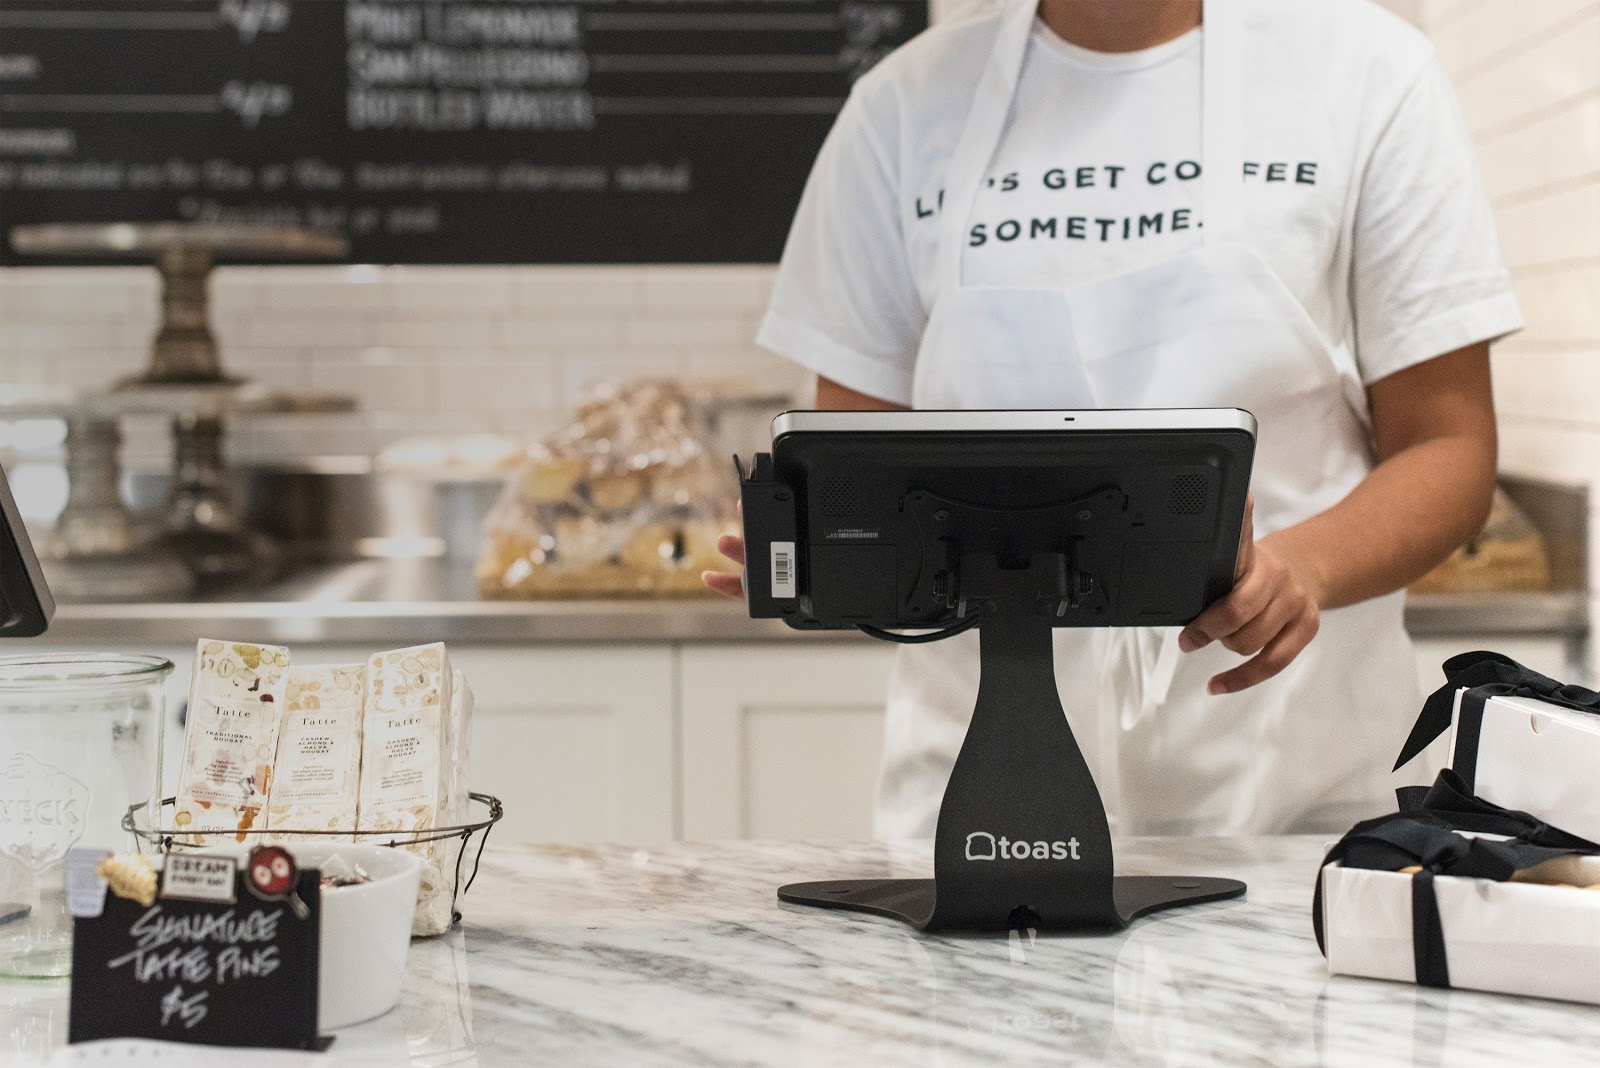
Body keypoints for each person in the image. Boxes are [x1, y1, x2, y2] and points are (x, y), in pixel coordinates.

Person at [704, 0, 1519, 837]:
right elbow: (856, 462)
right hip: (975, 805)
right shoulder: (899, 108)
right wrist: (821, 554)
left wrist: (1301, 570)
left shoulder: (1369, 73)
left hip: (1287, 796)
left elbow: (1448, 444)